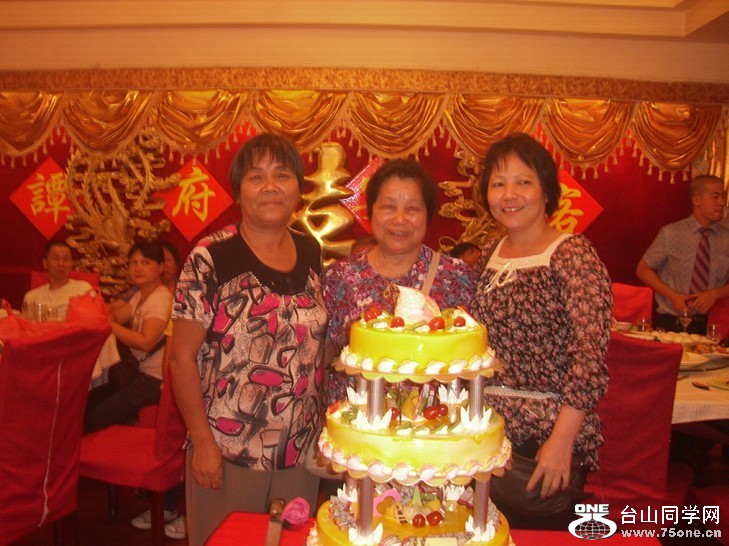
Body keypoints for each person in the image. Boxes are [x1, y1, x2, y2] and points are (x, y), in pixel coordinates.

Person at [169, 133, 328, 546]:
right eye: (256, 177)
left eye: (282, 175)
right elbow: (181, 358)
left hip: (298, 449)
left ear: (298, 189)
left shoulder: (311, 252)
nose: (270, 186)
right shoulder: (210, 257)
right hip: (227, 449)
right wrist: (202, 444)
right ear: (238, 191)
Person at [469, 133, 611, 527]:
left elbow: (590, 356)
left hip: (543, 438)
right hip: (484, 433)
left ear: (546, 190)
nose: (509, 194)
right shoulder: (489, 254)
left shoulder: (572, 254)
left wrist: (561, 442)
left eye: (523, 181)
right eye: (498, 183)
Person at [323, 159, 477, 402]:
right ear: (370, 211)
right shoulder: (339, 278)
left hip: (436, 420)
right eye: (388, 206)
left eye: (412, 208)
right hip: (356, 418)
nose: (399, 219)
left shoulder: (456, 276)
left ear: (428, 215)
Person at [85, 241, 172, 432]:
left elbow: (146, 342)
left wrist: (110, 325)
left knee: (94, 417)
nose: (138, 268)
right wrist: (109, 319)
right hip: (135, 372)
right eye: (133, 263)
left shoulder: (160, 299)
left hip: (153, 380)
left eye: (145, 262)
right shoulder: (141, 295)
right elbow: (117, 316)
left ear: (160, 267)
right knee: (87, 401)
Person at [637, 174, 729, 334]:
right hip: (671, 322)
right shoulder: (671, 233)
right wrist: (673, 296)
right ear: (697, 200)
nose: (721, 203)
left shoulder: (726, 237)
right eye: (715, 197)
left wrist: (715, 294)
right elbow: (643, 270)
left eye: (723, 196)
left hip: (711, 325)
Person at [22, 240, 93, 320]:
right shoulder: (32, 297)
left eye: (66, 259)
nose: (61, 263)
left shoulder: (84, 289)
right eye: (56, 258)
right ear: (45, 263)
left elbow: (92, 322)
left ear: (71, 263)